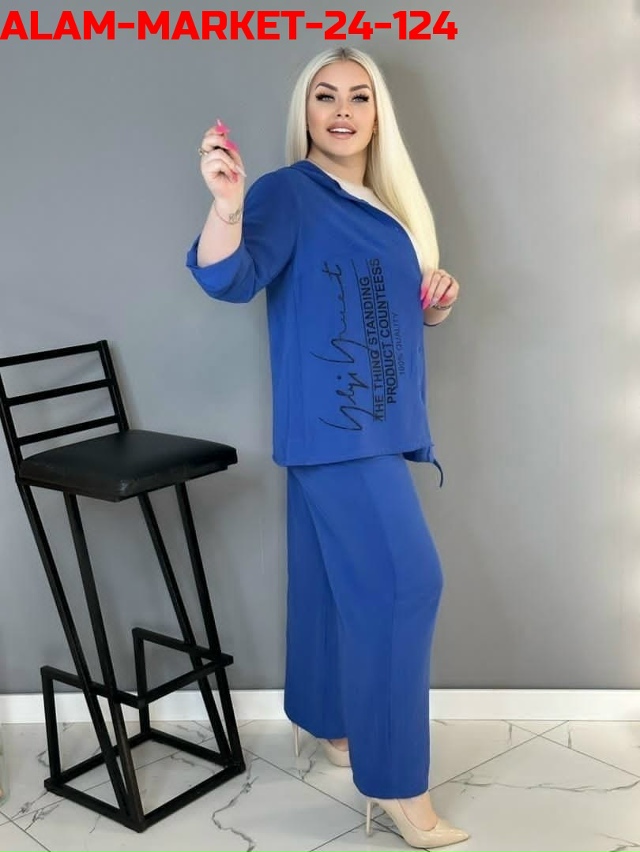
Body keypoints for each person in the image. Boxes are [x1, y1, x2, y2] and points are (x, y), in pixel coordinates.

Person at [186, 46, 468, 849]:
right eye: (325, 95)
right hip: (339, 428)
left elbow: (387, 305)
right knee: (404, 586)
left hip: (372, 421)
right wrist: (227, 205)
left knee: (325, 582)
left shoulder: (382, 198)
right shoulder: (286, 192)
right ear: (304, 111)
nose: (342, 110)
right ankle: (400, 787)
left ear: (378, 114)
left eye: (358, 96)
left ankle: (329, 718)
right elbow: (229, 279)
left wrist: (436, 301)